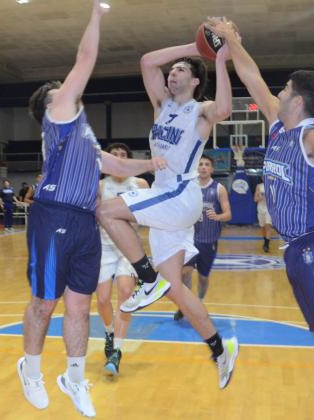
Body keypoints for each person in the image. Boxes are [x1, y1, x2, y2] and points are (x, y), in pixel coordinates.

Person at [211, 17, 314, 420]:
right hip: (297, 250)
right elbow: (251, 77)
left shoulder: (311, 136)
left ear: (297, 100)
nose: (277, 93)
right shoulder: (281, 127)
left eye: (284, 89)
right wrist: (231, 40)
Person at [18, 2, 168, 416]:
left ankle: (75, 376)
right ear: (49, 107)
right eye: (59, 92)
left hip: (85, 222)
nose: (67, 92)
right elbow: (84, 60)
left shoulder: (82, 134)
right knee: (44, 304)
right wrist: (96, 16)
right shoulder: (58, 118)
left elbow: (115, 165)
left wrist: (151, 165)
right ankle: (31, 370)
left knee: (80, 307)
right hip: (54, 216)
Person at [95, 19, 239, 388]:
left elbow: (224, 108)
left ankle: (145, 276)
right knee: (175, 287)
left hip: (179, 192)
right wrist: (195, 48)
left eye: (180, 72)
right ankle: (220, 349)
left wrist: (219, 60)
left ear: (193, 81)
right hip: (168, 203)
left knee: (106, 210)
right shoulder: (161, 104)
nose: (171, 73)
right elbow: (146, 61)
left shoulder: (201, 110)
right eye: (171, 70)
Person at [94, 143, 150, 377]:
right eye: (113, 155)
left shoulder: (140, 184)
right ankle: (108, 332)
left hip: (129, 247)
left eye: (122, 155)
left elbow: (148, 214)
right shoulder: (99, 185)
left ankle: (116, 350)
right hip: (105, 246)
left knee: (126, 293)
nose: (118, 158)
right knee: (103, 298)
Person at [173, 155, 232, 320]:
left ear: (212, 169)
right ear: (196, 168)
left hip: (208, 240)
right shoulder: (188, 188)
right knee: (184, 272)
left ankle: (198, 301)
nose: (204, 167)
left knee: (203, 277)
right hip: (189, 238)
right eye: (201, 164)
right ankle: (185, 306)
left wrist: (218, 216)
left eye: (207, 164)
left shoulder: (219, 188)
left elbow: (228, 214)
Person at [254, 182, 273, 252]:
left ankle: (266, 245)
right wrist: (260, 197)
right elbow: (255, 199)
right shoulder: (259, 186)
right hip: (260, 208)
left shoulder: (273, 185)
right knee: (262, 227)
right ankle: (265, 240)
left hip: (269, 209)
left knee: (267, 226)